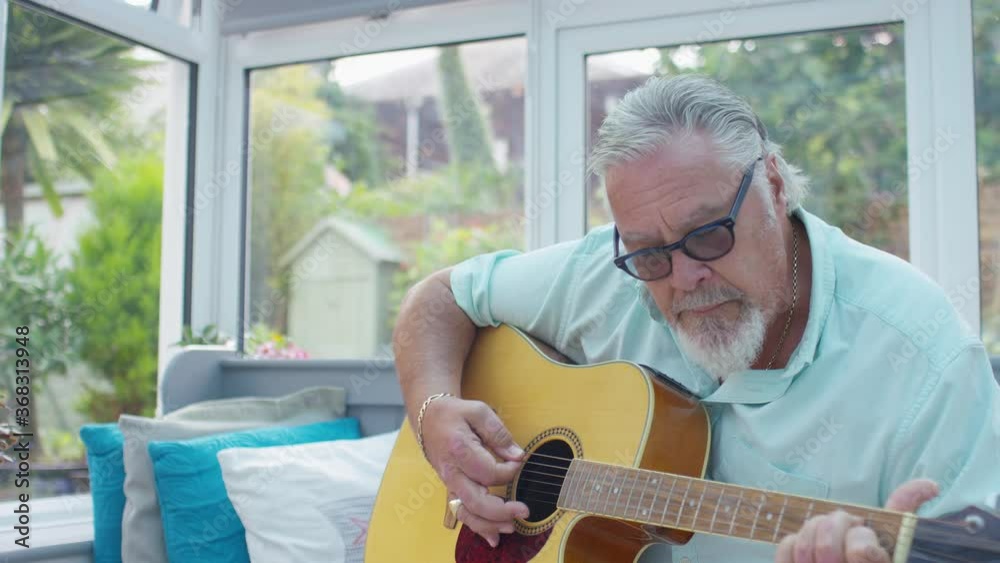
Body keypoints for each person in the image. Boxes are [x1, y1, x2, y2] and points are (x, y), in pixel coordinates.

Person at [392, 74, 1000, 563]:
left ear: (774, 185)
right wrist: (432, 413)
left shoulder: (922, 357)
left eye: (707, 234)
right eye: (650, 254)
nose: (683, 278)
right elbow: (437, 299)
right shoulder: (606, 270)